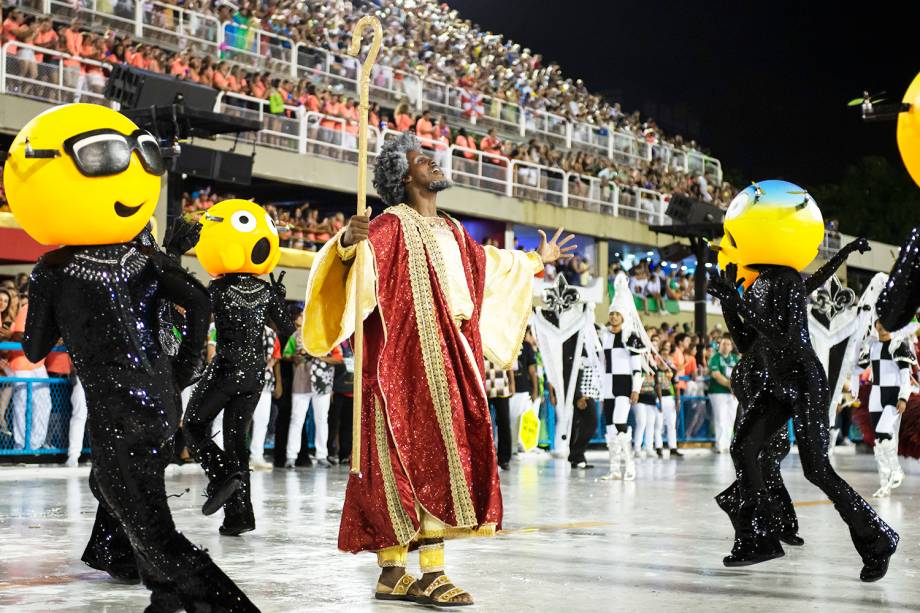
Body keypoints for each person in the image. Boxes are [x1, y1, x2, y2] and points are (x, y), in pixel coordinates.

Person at [303, 132, 574, 606]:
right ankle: (408, 571)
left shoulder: (453, 230)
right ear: (405, 176)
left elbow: (491, 267)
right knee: (397, 458)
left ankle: (415, 570)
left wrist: (536, 260)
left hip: (450, 357)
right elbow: (349, 265)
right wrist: (349, 240)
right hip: (398, 365)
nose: (435, 163)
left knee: (440, 454)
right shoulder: (386, 226)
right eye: (423, 160)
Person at [7, 104, 254, 609]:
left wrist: (52, 300)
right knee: (122, 494)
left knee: (157, 536)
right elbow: (200, 301)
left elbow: (33, 348)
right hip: (161, 398)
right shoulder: (143, 256)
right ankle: (147, 582)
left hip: (117, 412)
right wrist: (184, 366)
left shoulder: (55, 267)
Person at [709, 180, 897, 581]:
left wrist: (738, 301)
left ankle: (877, 539)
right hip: (778, 382)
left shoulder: (788, 280)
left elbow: (784, 338)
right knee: (744, 449)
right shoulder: (758, 283)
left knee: (817, 469)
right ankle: (762, 536)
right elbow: (749, 342)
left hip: (804, 379)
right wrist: (729, 305)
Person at [184, 199, 295, 538]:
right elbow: (290, 334)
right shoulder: (267, 292)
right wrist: (278, 299)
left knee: (192, 425)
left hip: (227, 368)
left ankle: (220, 478)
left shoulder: (217, 288)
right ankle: (239, 516)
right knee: (236, 443)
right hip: (254, 375)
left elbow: (198, 326)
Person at [856, 321, 913, 497]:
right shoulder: (872, 345)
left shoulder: (898, 345)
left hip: (893, 395)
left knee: (883, 431)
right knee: (879, 440)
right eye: (878, 323)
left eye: (885, 323)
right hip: (876, 394)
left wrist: (903, 397)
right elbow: (859, 366)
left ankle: (896, 470)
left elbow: (905, 376)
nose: (881, 327)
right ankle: (884, 483)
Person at [599, 305, 643, 480]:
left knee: (619, 422)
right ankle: (615, 470)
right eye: (611, 313)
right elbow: (602, 363)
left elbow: (638, 368)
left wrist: (635, 389)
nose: (614, 317)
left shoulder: (630, 337)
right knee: (610, 427)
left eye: (618, 314)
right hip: (608, 386)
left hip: (624, 386)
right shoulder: (605, 336)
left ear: (623, 317)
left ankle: (630, 466)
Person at [248, 325, 282, 470]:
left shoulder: (271, 333)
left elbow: (276, 356)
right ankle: (235, 455)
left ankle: (257, 456)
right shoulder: (246, 327)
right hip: (245, 382)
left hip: (266, 383)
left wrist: (278, 382)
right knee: (241, 419)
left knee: (262, 420)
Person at [708, 337, 739, 453]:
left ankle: (728, 444)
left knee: (731, 419)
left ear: (731, 347)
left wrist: (736, 388)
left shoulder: (735, 358)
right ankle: (719, 444)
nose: (725, 346)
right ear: (719, 346)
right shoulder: (715, 358)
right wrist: (730, 385)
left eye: (728, 344)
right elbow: (716, 374)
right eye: (723, 344)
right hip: (718, 392)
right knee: (720, 418)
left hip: (732, 394)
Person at [510, 331, 538, 455]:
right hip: (509, 389)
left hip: (523, 389)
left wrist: (535, 389)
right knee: (509, 420)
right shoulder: (507, 343)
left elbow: (532, 371)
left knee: (520, 419)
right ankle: (510, 447)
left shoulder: (526, 346)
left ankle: (519, 446)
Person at [484, 357, 513, 470]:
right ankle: (487, 458)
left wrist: (512, 383)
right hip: (484, 385)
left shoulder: (500, 340)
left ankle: (504, 458)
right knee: (484, 424)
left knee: (504, 422)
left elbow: (508, 360)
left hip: (501, 385)